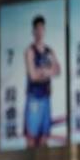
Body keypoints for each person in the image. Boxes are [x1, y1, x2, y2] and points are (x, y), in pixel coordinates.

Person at [24, 15, 61, 148]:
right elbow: (33, 76)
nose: (40, 32)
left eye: (42, 29)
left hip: (46, 98)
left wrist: (43, 71)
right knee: (32, 139)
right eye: (37, 29)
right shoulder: (30, 51)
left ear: (44, 30)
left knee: (45, 137)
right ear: (33, 31)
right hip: (34, 99)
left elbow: (58, 70)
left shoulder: (49, 51)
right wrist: (48, 71)